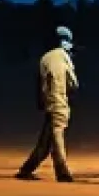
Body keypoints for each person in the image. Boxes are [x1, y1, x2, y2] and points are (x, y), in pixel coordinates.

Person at [17, 26, 78, 183]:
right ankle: (62, 170)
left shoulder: (44, 58)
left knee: (46, 140)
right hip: (60, 103)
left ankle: (27, 169)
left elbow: (39, 83)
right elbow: (73, 83)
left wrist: (41, 101)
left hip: (49, 103)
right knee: (57, 136)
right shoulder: (64, 57)